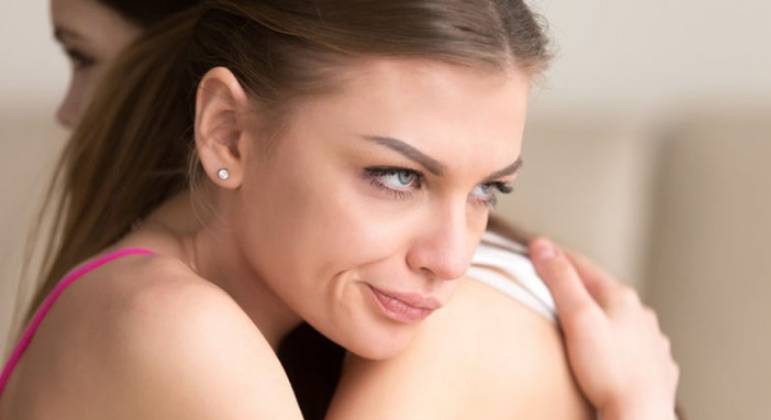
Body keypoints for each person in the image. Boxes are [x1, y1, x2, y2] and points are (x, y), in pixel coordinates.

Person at [1, 1, 680, 419]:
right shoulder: (174, 325)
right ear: (227, 133)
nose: (450, 258)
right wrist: (641, 408)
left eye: (486, 190)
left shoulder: (169, 300)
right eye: (396, 176)